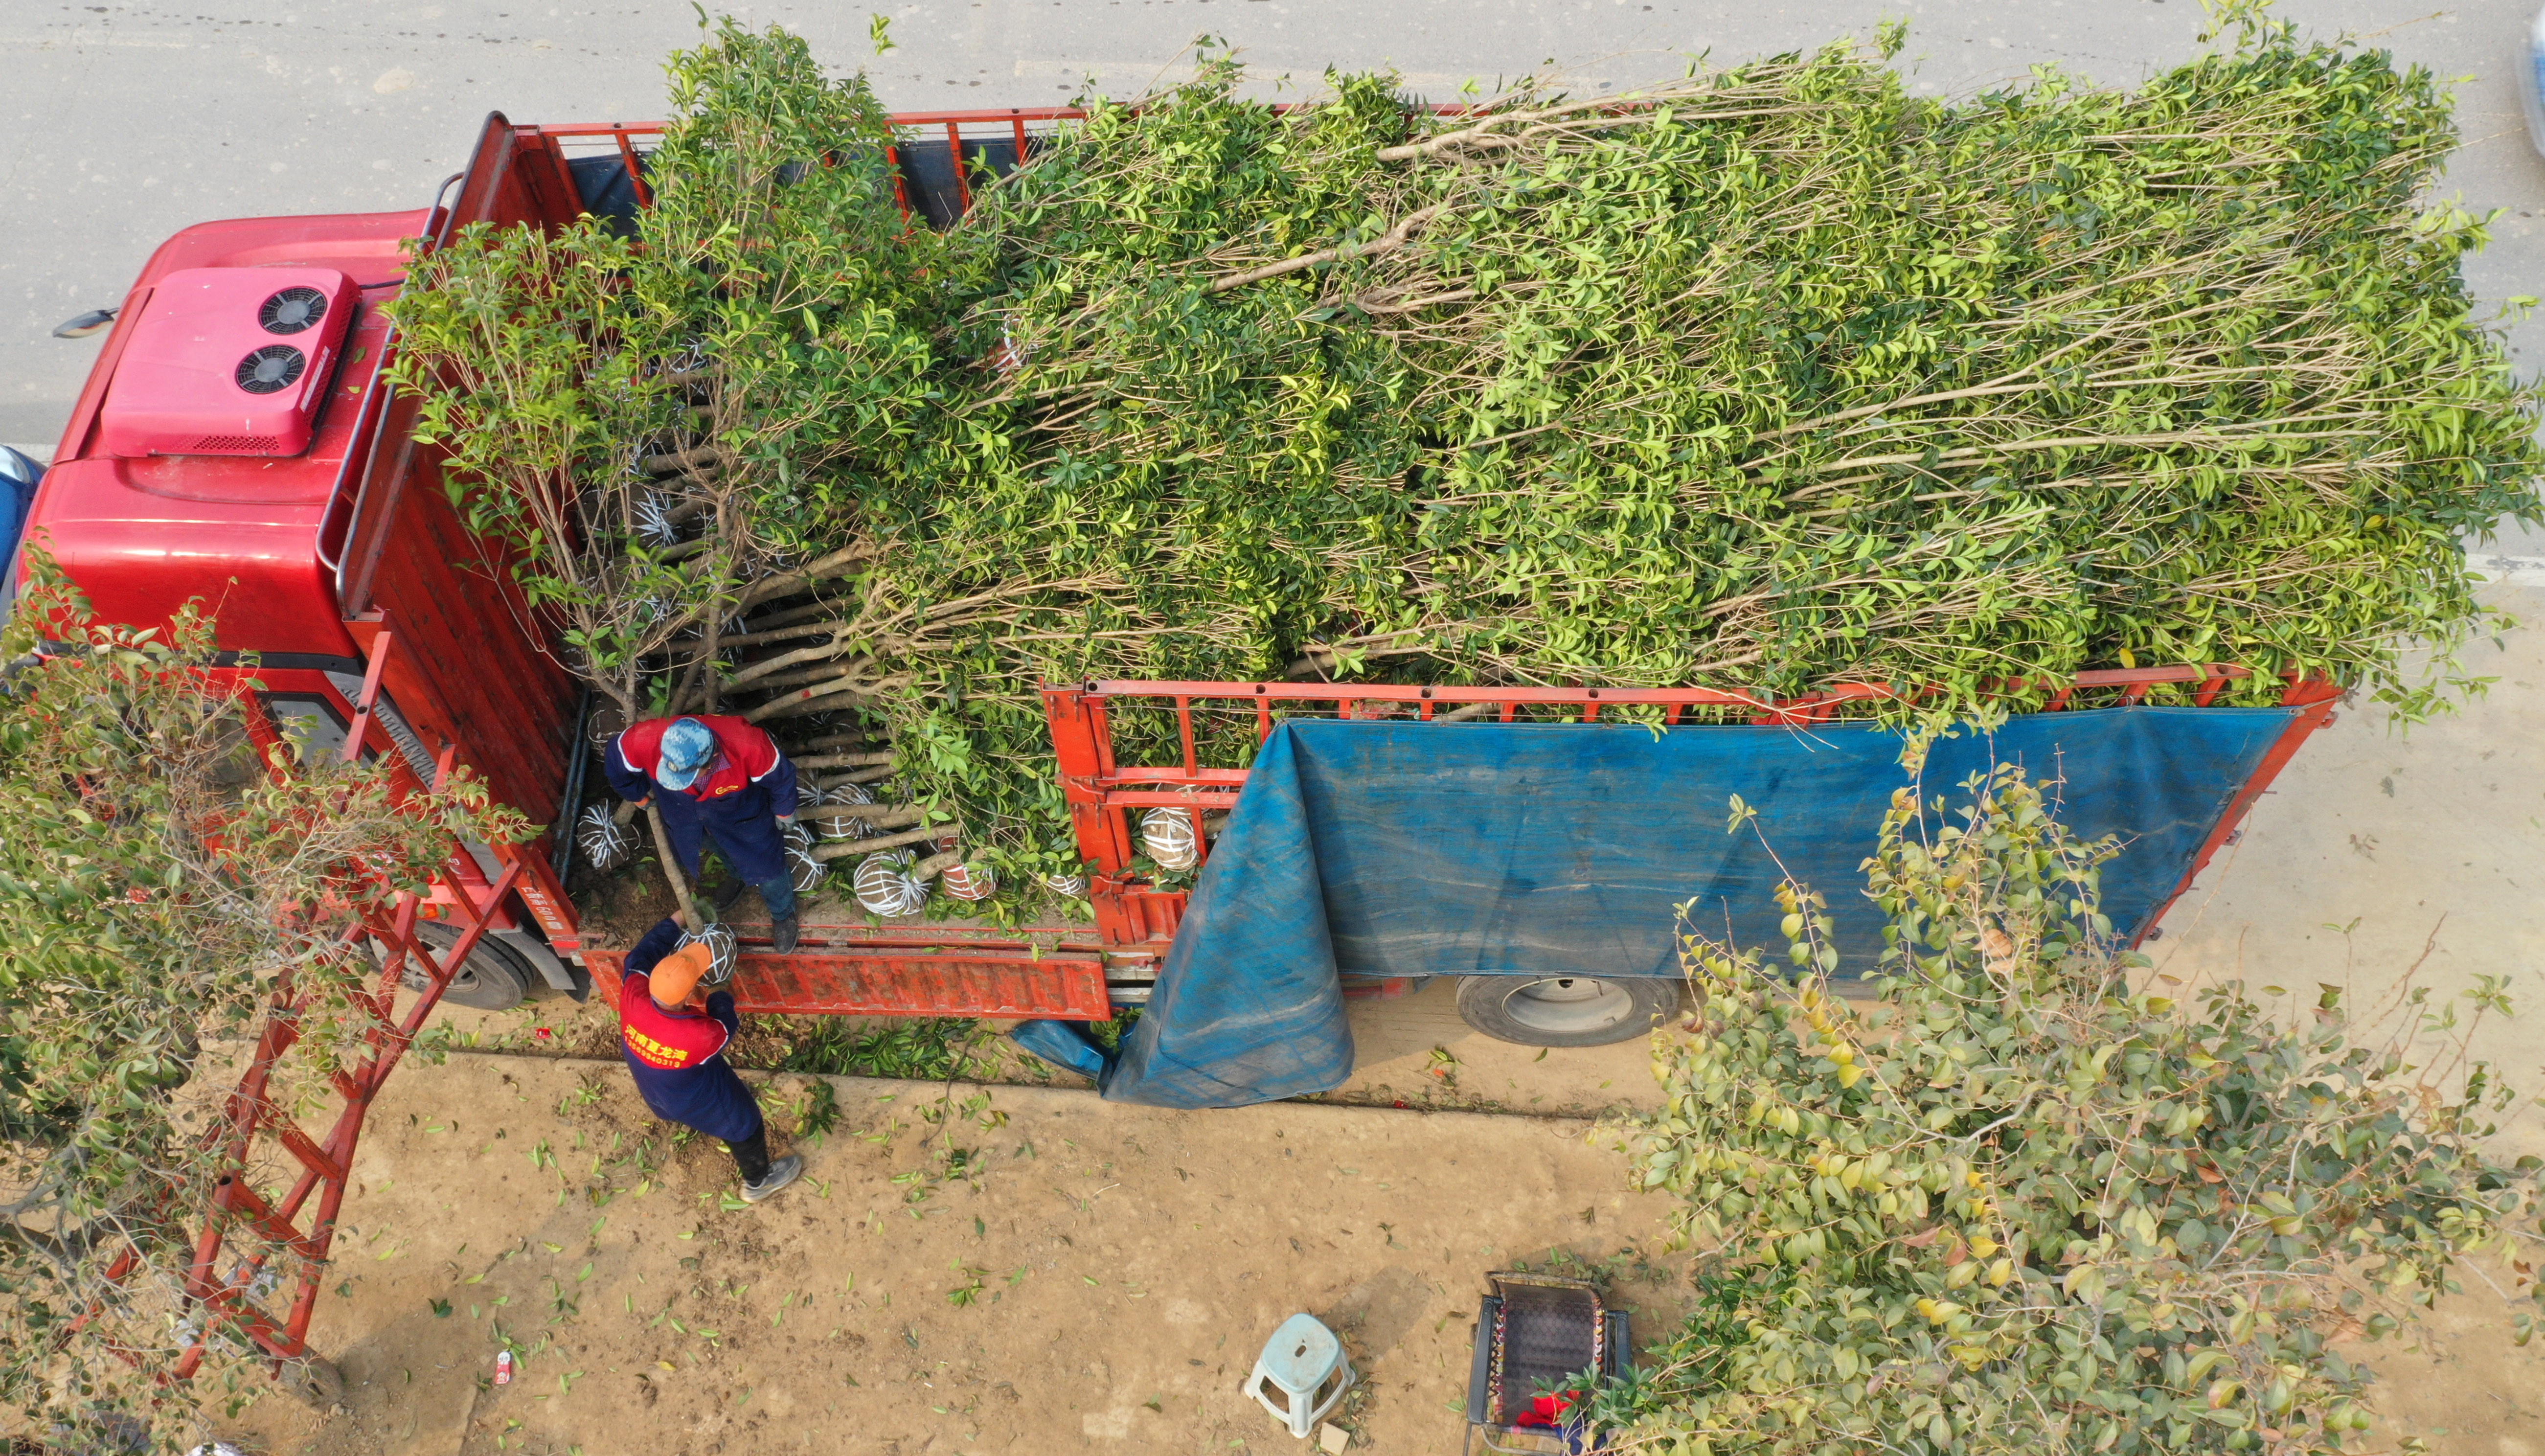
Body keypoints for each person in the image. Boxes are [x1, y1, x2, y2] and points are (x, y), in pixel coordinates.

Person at [617, 917, 802, 1202]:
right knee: (744, 1123)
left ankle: (670, 1115)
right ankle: (758, 1182)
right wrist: (719, 991)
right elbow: (726, 1027)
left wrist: (675, 920)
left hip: (653, 1086)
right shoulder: (700, 1036)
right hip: (692, 1097)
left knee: (667, 1101)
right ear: (691, 994)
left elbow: (641, 954)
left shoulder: (633, 990)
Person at [607, 714, 802, 952]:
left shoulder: (748, 744)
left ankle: (782, 912)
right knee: (716, 846)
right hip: (685, 813)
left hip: (740, 812)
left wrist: (784, 810)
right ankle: (738, 876)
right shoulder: (645, 739)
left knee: (767, 866)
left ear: (711, 762)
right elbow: (616, 759)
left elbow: (781, 778)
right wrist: (636, 795)